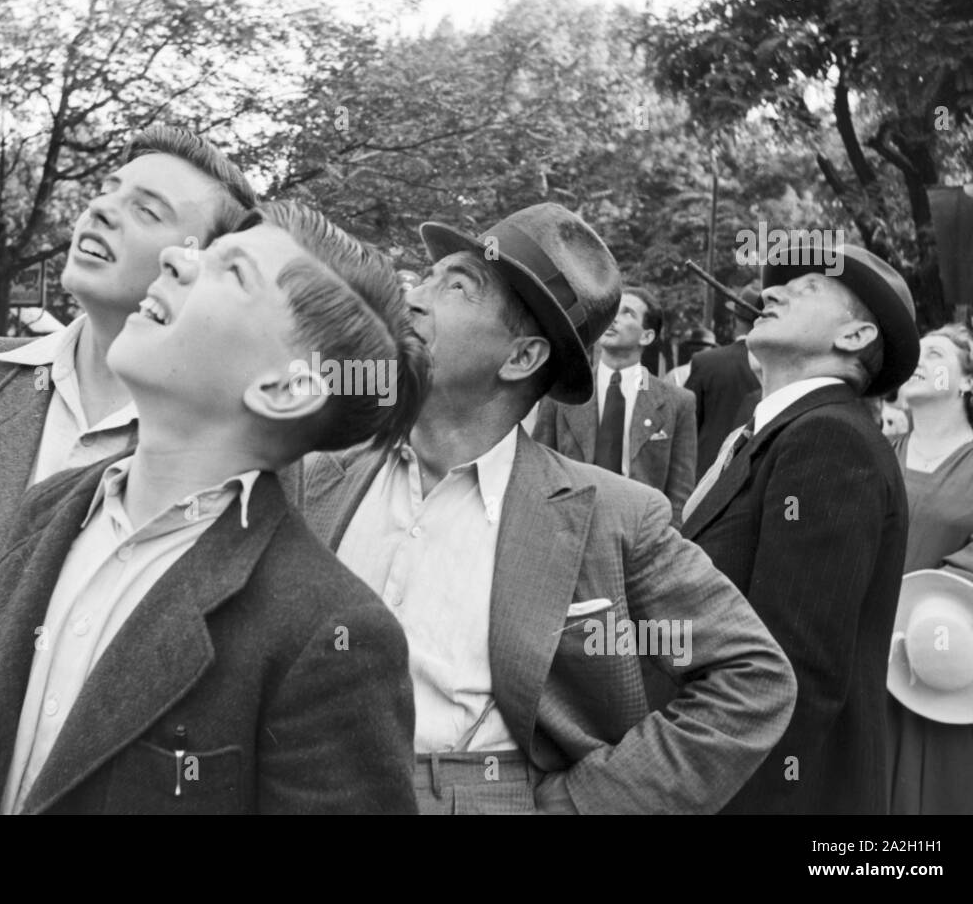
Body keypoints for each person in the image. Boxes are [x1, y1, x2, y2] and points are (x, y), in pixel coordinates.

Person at [290, 203, 796, 814]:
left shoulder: (617, 517)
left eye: (456, 287)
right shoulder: (311, 466)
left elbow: (752, 681)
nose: (414, 297)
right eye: (428, 276)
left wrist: (582, 806)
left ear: (522, 358)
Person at [0, 201, 428, 814]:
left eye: (233, 271)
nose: (175, 258)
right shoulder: (46, 511)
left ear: (285, 388)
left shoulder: (328, 633)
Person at [0, 126, 259, 675]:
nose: (100, 211)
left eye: (147, 211)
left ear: (197, 266)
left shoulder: (229, 445)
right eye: (108, 189)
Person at [681, 243, 919, 814]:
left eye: (808, 287)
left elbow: (792, 678)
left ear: (855, 337)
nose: (769, 292)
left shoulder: (828, 440)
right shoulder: (776, 434)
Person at [886, 323, 973, 813]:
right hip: (871, 665)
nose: (918, 360)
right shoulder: (874, 453)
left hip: (952, 665)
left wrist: (923, 613)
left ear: (969, 382)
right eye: (914, 352)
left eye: (935, 354)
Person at [532, 286, 697, 526]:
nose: (613, 319)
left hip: (638, 535)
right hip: (569, 528)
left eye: (627, 313)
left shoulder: (678, 402)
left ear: (647, 336)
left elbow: (680, 493)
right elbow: (539, 471)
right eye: (612, 311)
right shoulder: (561, 393)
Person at [685, 283, 762, 479]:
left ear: (734, 319)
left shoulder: (706, 362)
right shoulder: (779, 364)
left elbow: (689, 425)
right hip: (755, 473)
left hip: (707, 475)